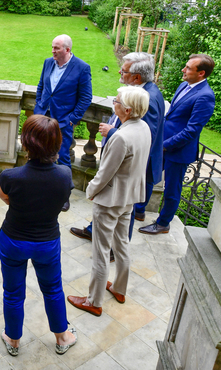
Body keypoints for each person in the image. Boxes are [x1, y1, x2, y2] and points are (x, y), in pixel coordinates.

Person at [0, 115, 78, 357]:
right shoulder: (64, 175)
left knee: (12, 292)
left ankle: (12, 339)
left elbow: (5, 198)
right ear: (57, 144)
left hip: (13, 240)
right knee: (53, 289)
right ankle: (62, 337)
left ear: (26, 143)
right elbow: (62, 201)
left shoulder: (10, 176)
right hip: (47, 243)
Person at [67, 86, 152, 317]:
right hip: (130, 197)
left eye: (116, 101)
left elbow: (105, 172)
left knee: (101, 251)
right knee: (122, 243)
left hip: (111, 200)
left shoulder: (121, 137)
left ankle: (94, 301)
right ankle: (119, 289)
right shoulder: (143, 127)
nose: (113, 103)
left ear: (126, 109)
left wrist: (91, 191)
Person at [70, 52, 165, 243]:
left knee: (124, 212)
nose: (120, 71)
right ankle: (93, 229)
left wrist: (113, 133)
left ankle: (116, 248)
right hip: (120, 158)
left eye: (125, 70)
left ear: (137, 77)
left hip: (127, 169)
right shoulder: (139, 93)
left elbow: (144, 137)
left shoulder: (148, 97)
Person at [139, 54, 216, 235]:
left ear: (201, 73)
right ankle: (139, 210)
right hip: (163, 144)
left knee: (172, 190)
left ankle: (163, 223)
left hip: (178, 151)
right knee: (149, 175)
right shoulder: (184, 85)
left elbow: (191, 131)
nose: (183, 69)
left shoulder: (206, 96)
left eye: (189, 68)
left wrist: (165, 145)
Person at [34, 35, 92, 173]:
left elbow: (86, 97)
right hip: (42, 116)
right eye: (52, 47)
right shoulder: (48, 62)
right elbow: (41, 86)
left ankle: (64, 190)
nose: (53, 50)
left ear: (67, 49)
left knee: (63, 157)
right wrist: (39, 105)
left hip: (63, 121)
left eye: (56, 48)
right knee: (39, 153)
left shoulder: (82, 68)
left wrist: (72, 119)